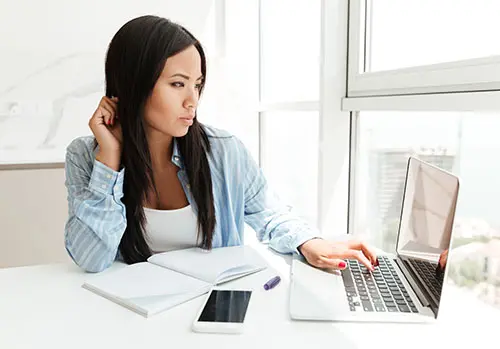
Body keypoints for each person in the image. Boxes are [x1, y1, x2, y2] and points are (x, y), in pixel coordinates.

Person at [63, 15, 378, 273]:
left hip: (211, 311)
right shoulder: (86, 156)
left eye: (197, 85)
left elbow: (270, 214)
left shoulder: (223, 150)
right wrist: (109, 160)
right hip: (131, 315)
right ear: (134, 84)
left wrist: (311, 243)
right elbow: (91, 259)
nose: (192, 100)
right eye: (177, 84)